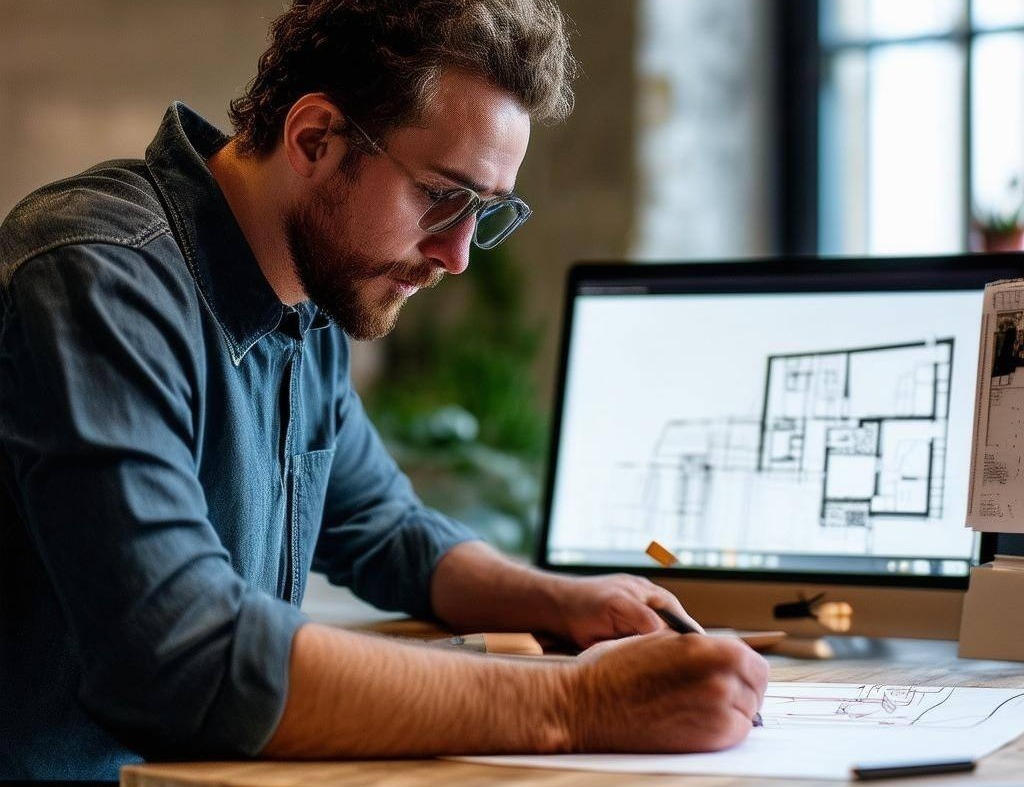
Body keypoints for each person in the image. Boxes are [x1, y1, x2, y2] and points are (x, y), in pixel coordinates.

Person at [0, 0, 767, 780]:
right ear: (315, 138)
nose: (457, 255)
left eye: (484, 212)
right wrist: (581, 703)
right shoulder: (97, 280)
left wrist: (566, 600)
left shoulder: (310, 293)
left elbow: (383, 526)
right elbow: (177, 651)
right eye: (441, 195)